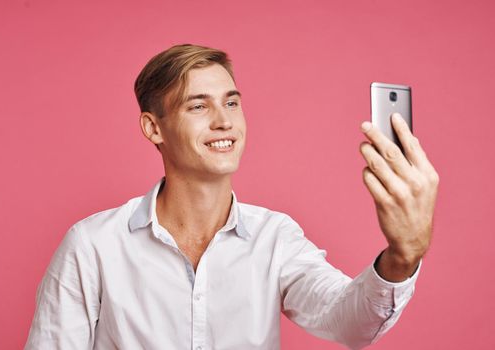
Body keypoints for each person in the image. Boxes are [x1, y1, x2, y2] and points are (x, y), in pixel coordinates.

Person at [24, 44, 439, 350]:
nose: (224, 122)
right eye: (198, 106)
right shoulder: (93, 245)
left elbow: (348, 323)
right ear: (153, 129)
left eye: (232, 102)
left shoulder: (275, 238)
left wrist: (403, 256)